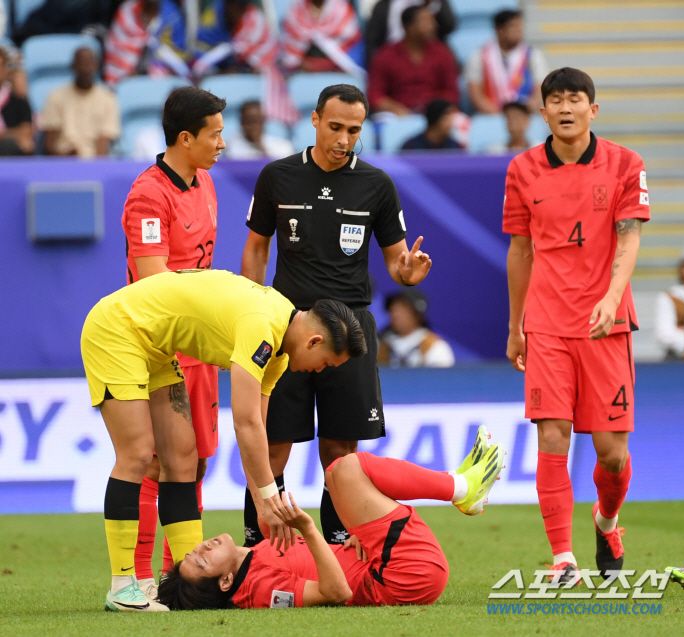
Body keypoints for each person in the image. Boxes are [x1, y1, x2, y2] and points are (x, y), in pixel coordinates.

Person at [81, 268, 367, 612]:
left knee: (183, 459)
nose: (320, 371)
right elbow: (244, 422)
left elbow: (257, 431)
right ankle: (122, 585)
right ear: (315, 342)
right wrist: (265, 503)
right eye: (326, 364)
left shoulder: (278, 348)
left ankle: (177, 587)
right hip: (117, 330)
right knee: (138, 454)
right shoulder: (263, 326)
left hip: (154, 346)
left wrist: (268, 500)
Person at [241, 83, 432, 548]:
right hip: (289, 330)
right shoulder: (277, 176)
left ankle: (343, 542)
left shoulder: (376, 185)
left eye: (354, 129)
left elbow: (396, 260)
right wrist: (252, 308)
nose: (345, 139)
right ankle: (260, 542)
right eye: (335, 127)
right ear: (314, 120)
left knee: (342, 452)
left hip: (350, 333)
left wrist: (407, 273)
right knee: (274, 446)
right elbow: (257, 249)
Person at [503, 67, 650, 582]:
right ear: (542, 112)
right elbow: (520, 251)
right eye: (556, 100)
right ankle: (563, 558)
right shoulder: (522, 169)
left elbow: (629, 237)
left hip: (605, 325)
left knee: (612, 456)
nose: (566, 108)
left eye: (576, 99)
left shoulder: (626, 164)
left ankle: (606, 520)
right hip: (546, 325)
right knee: (552, 437)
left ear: (594, 108)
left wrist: (612, 297)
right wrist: (516, 324)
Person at [157, 429, 506, 609]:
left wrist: (356, 538)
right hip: (403, 577)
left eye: (194, 551)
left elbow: (322, 567)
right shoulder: (262, 591)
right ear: (224, 582)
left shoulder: (253, 560)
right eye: (203, 560)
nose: (203, 546)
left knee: (338, 472)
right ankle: (460, 487)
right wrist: (309, 528)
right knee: (348, 468)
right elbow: (336, 592)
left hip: (381, 562)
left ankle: (457, 481)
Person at [120, 86, 225, 602]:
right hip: (164, 348)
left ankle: (177, 577)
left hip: (201, 343)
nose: (222, 142)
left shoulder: (205, 182)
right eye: (215, 133)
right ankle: (139, 579)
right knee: (160, 464)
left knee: (198, 462)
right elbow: (154, 284)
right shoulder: (147, 195)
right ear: (186, 138)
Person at [368, 5, 459, 116]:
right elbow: (375, 96)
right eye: (426, 21)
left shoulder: (443, 53)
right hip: (397, 115)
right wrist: (396, 109)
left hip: (435, 115)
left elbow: (452, 93)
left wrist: (435, 109)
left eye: (433, 21)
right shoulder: (386, 55)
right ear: (408, 26)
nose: (433, 26)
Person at [41, 47, 120, 157]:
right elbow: (49, 145)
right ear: (73, 66)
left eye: (89, 64)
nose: (85, 69)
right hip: (62, 162)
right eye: (81, 64)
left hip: (94, 164)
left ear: (96, 66)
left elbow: (103, 146)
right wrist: (66, 158)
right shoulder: (56, 96)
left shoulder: (107, 99)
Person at [466, 9, 548, 115]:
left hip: (525, 117)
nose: (519, 30)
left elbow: (539, 91)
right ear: (499, 30)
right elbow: (475, 94)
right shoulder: (479, 56)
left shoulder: (533, 56)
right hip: (491, 117)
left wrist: (523, 114)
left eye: (520, 26)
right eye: (513, 26)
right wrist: (497, 115)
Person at [104, 0, 190, 87]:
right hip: (127, 79)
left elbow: (180, 56)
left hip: (164, 82)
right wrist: (129, 73)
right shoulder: (128, 10)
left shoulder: (172, 14)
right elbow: (115, 50)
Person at [191, 0, 277, 78]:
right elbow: (200, 61)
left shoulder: (251, 17)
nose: (241, 13)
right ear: (228, 4)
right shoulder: (213, 14)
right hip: (209, 65)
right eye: (238, 8)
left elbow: (245, 51)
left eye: (243, 8)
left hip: (236, 66)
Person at [364, 0, 456, 67]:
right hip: (392, 62)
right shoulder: (382, 6)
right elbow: (372, 40)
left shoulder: (432, 3)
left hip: (430, 60)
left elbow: (449, 26)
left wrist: (432, 3)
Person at [280, 0, 362, 74]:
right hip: (305, 68)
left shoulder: (341, 8)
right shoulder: (296, 9)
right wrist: (302, 63)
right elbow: (292, 44)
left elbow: (351, 39)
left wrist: (329, 63)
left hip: (340, 66)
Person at [378, 288, 455, 367]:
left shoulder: (434, 346)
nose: (395, 315)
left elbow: (442, 378)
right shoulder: (381, 346)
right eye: (393, 310)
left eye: (403, 309)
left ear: (417, 315)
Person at [655, 244, 684, 360]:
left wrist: (683, 329)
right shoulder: (669, 297)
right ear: (682, 269)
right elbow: (664, 335)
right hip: (678, 361)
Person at [226, 100, 294, 160]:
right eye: (249, 121)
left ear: (264, 121)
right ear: (241, 122)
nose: (253, 126)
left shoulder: (282, 147)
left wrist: (260, 146)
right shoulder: (229, 148)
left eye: (257, 120)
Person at [0, 46, 34, 156]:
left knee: (25, 145)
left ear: (6, 69)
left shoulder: (18, 101)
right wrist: (13, 133)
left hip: (9, 151)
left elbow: (26, 133)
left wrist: (4, 135)